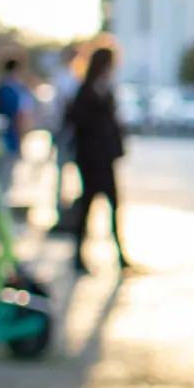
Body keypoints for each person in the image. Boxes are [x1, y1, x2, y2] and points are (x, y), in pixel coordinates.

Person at [58, 46, 131, 275]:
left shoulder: (105, 90)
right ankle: (79, 255)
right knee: (87, 207)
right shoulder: (85, 91)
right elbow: (76, 121)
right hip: (90, 160)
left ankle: (119, 254)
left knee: (112, 205)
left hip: (105, 158)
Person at [0, 57, 32, 202]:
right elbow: (20, 118)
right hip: (9, 141)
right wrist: (21, 142)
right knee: (2, 184)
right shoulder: (15, 91)